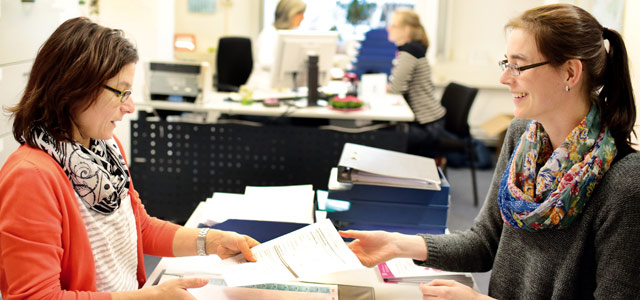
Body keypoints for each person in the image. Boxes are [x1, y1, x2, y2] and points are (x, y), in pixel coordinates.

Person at [340, 4, 640, 299]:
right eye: (505, 63)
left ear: (570, 73)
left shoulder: (625, 183)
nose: (505, 78)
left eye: (519, 65)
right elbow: (485, 243)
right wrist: (398, 245)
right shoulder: (522, 138)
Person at [0, 17, 259, 299]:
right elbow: (36, 297)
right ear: (74, 88)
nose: (130, 107)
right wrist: (151, 298)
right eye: (121, 92)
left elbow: (141, 228)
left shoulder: (106, 148)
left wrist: (213, 240)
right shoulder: (30, 177)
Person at [386, 9, 446, 158]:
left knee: (381, 138)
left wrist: (388, 86)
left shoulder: (409, 51)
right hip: (433, 121)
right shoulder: (414, 49)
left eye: (393, 26)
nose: (389, 28)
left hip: (427, 127)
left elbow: (396, 88)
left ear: (406, 30)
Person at [245, 0, 306, 90]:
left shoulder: (290, 35)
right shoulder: (269, 33)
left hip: (282, 88)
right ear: (289, 14)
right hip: (263, 87)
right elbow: (265, 62)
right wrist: (293, 64)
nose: (302, 17)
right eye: (300, 13)